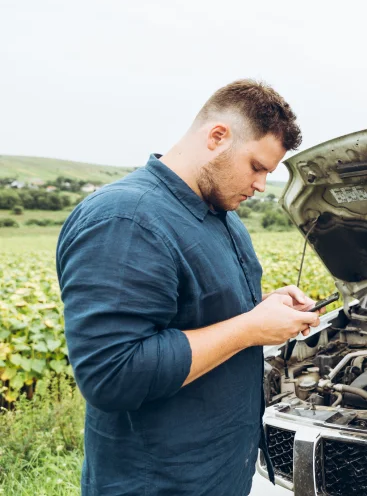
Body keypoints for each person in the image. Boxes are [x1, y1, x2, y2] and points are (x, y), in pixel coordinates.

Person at [56, 79, 320, 496]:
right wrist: (250, 328)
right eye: (256, 166)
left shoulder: (222, 216)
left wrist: (266, 307)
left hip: (220, 475)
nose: (260, 186)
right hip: (159, 483)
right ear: (217, 137)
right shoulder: (126, 219)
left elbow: (203, 313)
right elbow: (112, 373)